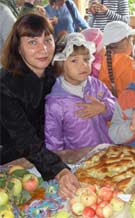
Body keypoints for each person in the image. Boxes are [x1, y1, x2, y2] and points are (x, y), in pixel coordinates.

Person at [0, 14, 79, 198]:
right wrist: (59, 170)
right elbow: (25, 140)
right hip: (11, 161)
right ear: (18, 48)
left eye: (48, 40)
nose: (43, 49)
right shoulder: (5, 85)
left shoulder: (52, 76)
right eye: (33, 42)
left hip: (47, 155)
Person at [45, 32, 115, 153]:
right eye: (74, 60)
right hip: (79, 160)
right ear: (61, 63)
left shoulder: (96, 85)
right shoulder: (55, 102)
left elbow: (117, 109)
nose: (83, 65)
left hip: (107, 152)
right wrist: (58, 166)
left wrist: (104, 107)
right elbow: (53, 140)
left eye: (86, 59)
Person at [99, 21, 135, 97]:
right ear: (126, 41)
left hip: (116, 103)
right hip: (134, 104)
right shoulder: (132, 63)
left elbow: (103, 85)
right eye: (132, 41)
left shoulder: (106, 59)